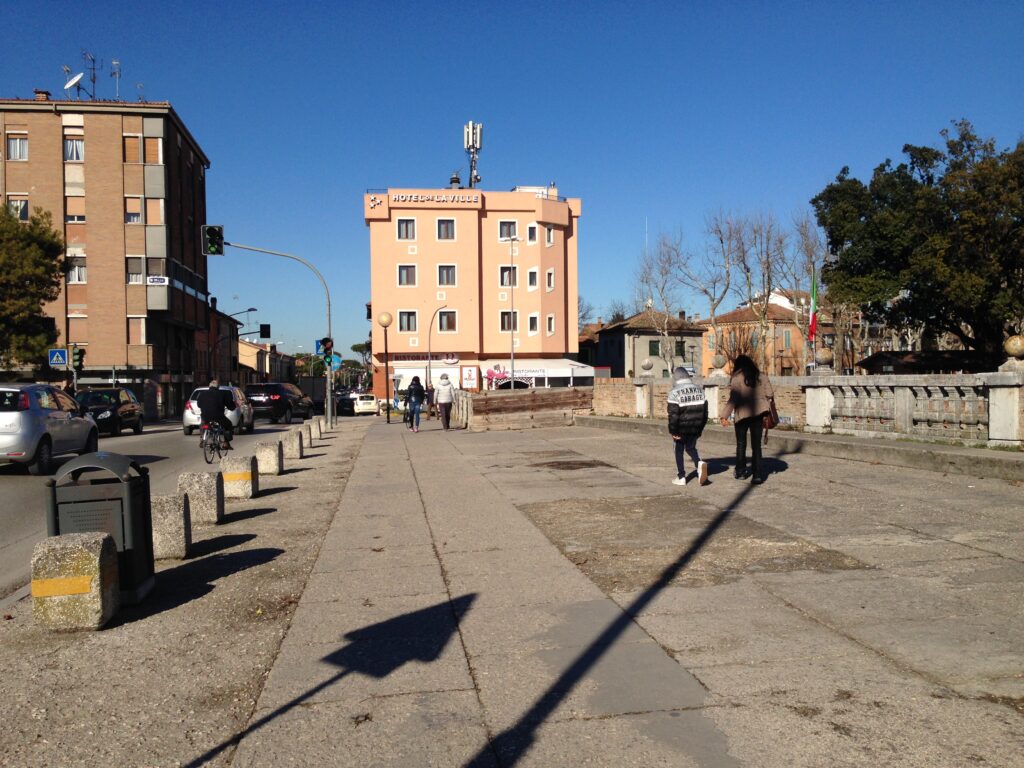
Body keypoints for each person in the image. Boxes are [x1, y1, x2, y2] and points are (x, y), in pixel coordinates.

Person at [719, 355, 775, 484]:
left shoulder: (737, 378)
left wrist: (724, 415)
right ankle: (757, 475)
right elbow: (770, 394)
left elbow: (734, 399)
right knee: (756, 446)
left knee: (741, 444)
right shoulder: (762, 376)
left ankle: (740, 472)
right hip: (759, 413)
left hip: (742, 414)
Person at [667, 366, 708, 486]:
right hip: (696, 427)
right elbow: (705, 414)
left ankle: (681, 477)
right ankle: (699, 464)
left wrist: (673, 431)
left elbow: (673, 415)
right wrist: (700, 429)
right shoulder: (700, 390)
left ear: (676, 378)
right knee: (690, 448)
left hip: (681, 428)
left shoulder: (674, 392)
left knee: (678, 450)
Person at [195, 379, 236, 445]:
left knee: (203, 424)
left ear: (209, 386)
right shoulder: (222, 394)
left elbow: (199, 405)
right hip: (218, 416)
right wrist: (233, 407)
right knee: (228, 425)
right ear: (218, 387)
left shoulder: (202, 394)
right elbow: (230, 405)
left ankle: (202, 438)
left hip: (205, 416)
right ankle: (226, 443)